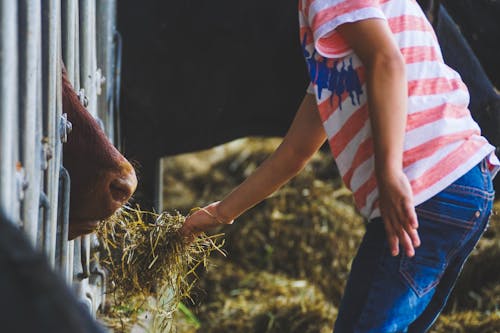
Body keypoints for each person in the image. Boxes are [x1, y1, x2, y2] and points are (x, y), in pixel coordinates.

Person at [180, 0, 499, 331]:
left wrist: (389, 172)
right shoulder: (337, 40)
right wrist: (220, 212)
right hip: (459, 184)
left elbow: (387, 61)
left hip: (424, 187)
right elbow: (295, 151)